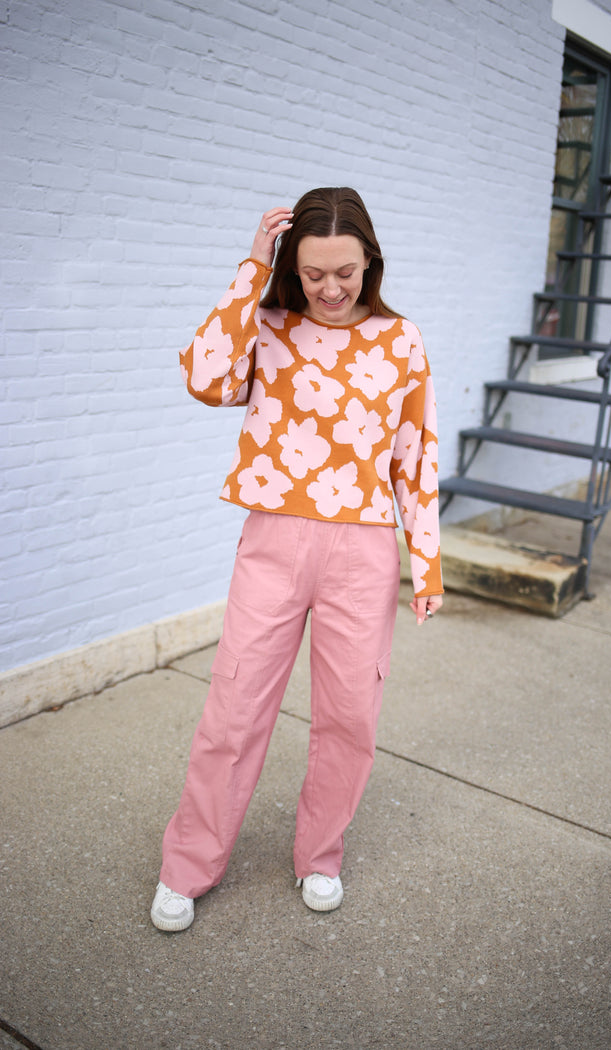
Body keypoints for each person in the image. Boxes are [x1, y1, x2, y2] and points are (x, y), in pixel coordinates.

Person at [150, 187, 443, 932]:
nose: (332, 288)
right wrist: (253, 270)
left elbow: (416, 457)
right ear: (292, 268)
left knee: (349, 716)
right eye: (313, 274)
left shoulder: (401, 340)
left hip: (364, 552)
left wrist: (428, 560)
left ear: (369, 261)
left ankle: (320, 855)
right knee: (234, 708)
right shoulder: (269, 327)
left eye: (345, 270)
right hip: (273, 544)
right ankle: (188, 865)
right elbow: (204, 377)